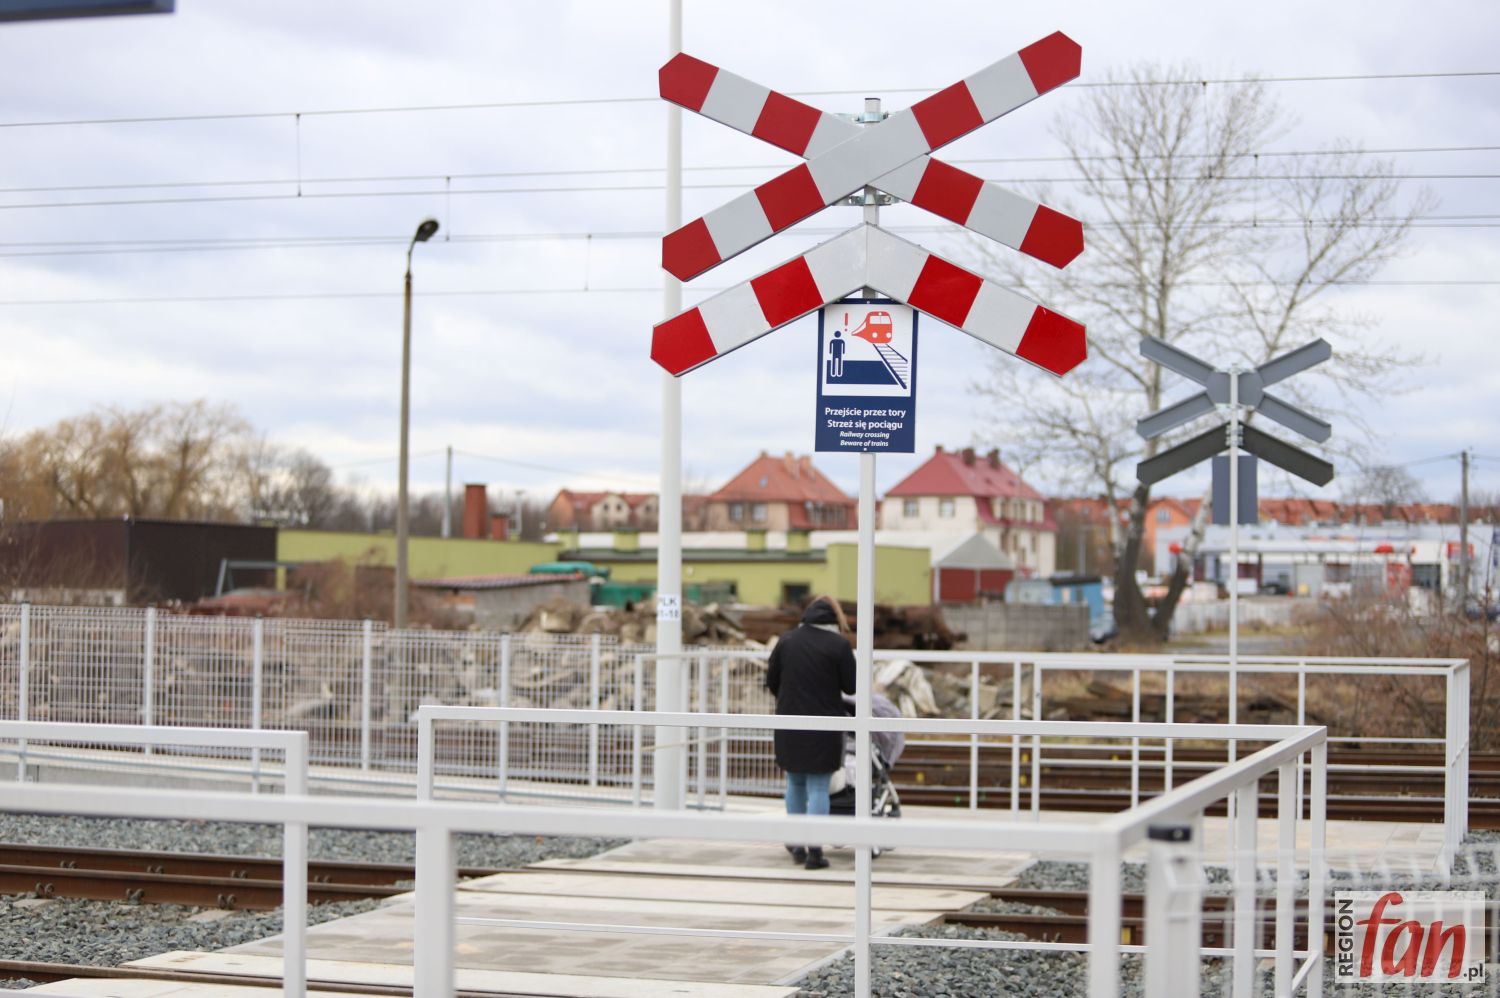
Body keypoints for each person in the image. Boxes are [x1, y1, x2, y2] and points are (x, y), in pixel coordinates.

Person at [765, 595, 856, 870]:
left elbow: (771, 681)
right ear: (834, 620)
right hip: (824, 724)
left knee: (795, 782)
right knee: (818, 786)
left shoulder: (787, 640)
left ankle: (797, 846)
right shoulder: (839, 645)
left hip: (789, 722)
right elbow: (851, 687)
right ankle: (815, 851)